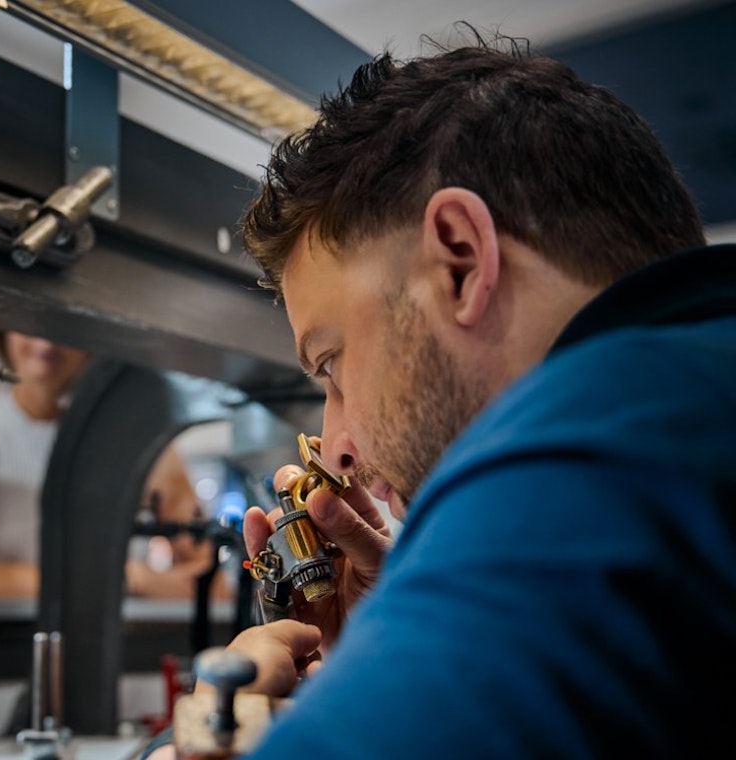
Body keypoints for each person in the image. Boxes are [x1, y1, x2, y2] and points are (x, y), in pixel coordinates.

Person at [146, 33, 735, 759]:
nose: (337, 447)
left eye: (331, 362)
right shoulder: (694, 404)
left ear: (459, 259)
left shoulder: (588, 459)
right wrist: (398, 652)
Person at [0, 330, 229, 601]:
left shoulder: (140, 443)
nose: (46, 341)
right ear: (4, 331)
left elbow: (214, 583)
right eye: (30, 325)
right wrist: (127, 579)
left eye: (64, 326)